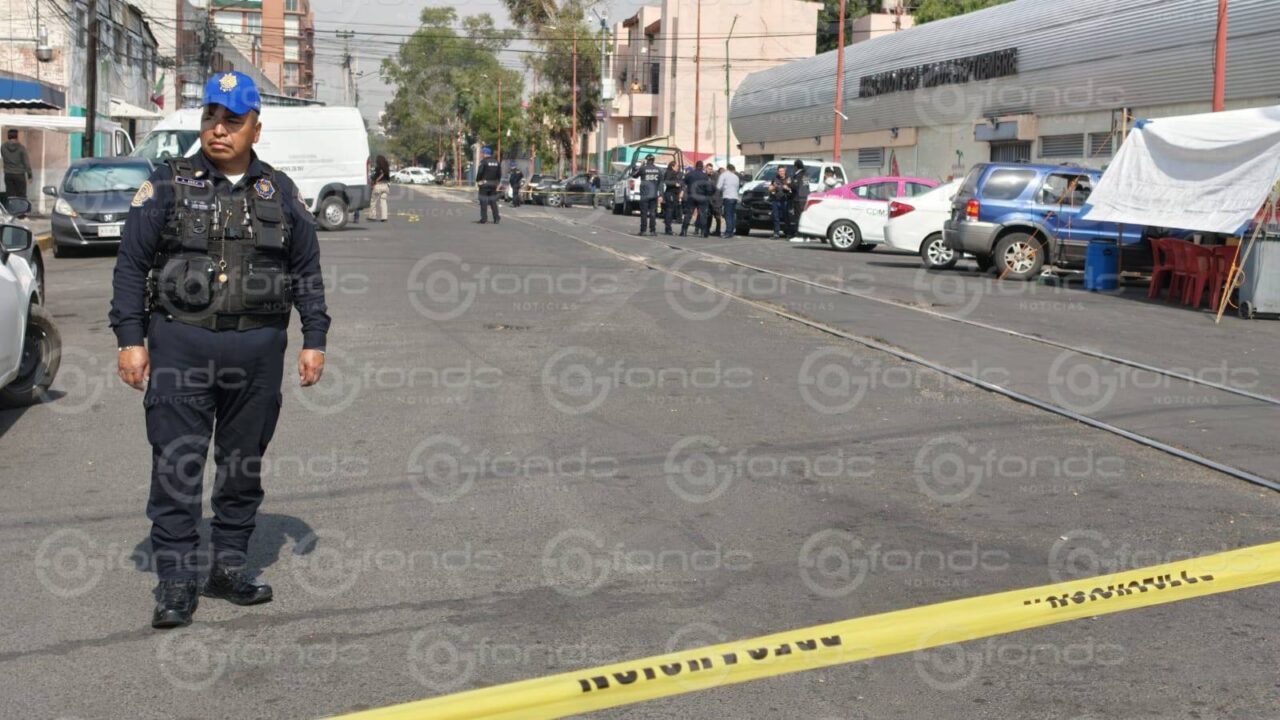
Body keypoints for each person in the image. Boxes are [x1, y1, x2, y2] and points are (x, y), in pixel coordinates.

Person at [108, 71, 329, 630]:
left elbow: (306, 270)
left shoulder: (279, 190)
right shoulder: (166, 183)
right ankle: (177, 581)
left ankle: (228, 567)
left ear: (256, 128)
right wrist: (130, 339)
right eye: (211, 117)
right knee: (177, 465)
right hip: (181, 344)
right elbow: (131, 266)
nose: (219, 129)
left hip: (257, 353)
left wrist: (315, 338)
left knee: (242, 465)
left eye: (232, 119)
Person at [631, 154, 662, 236]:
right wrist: (660, 194)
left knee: (644, 213)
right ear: (653, 160)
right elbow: (660, 183)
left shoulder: (643, 168)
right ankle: (653, 231)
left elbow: (634, 175)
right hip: (654, 194)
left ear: (647, 160)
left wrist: (639, 166)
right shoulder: (658, 170)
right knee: (653, 213)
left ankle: (643, 230)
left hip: (644, 194)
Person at [2, 129, 33, 211]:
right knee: (21, 195)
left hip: (8, 174)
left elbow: (4, 157)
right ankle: (21, 213)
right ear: (17, 136)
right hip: (19, 174)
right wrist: (29, 175)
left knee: (10, 195)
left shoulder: (3, 147)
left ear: (8, 136)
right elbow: (26, 162)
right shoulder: (21, 148)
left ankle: (11, 211)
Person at [681, 161, 710, 237]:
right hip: (702, 196)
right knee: (702, 214)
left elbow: (683, 183)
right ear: (702, 167)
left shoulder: (689, 174)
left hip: (692, 195)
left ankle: (684, 231)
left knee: (688, 213)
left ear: (695, 166)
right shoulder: (705, 176)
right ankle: (703, 232)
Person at [475, 147, 502, 224]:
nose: (481, 154)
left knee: (483, 201)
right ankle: (496, 218)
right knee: (493, 201)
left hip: (484, 183)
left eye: (481, 153)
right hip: (493, 184)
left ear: (485, 153)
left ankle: (484, 219)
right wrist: (497, 182)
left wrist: (478, 180)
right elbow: (499, 174)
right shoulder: (497, 162)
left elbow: (480, 172)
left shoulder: (483, 162)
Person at [717, 163, 740, 238]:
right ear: (733, 170)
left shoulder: (723, 175)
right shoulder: (736, 177)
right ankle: (731, 232)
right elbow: (737, 188)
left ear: (727, 168)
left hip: (727, 197)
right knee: (732, 215)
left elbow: (719, 187)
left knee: (728, 215)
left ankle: (728, 232)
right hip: (735, 197)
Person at [789, 159, 810, 239]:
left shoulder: (798, 175)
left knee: (798, 217)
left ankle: (799, 234)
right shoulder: (806, 174)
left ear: (796, 166)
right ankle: (805, 235)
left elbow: (795, 186)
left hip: (798, 198)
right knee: (803, 216)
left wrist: (789, 183)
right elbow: (806, 186)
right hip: (805, 198)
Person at [661, 160, 684, 235]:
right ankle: (668, 229)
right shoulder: (669, 172)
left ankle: (668, 228)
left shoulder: (678, 173)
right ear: (672, 166)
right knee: (669, 211)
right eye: (676, 166)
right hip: (670, 193)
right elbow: (666, 182)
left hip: (676, 194)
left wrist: (681, 189)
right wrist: (675, 184)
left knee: (672, 211)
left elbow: (682, 182)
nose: (678, 167)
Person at [769, 166, 792, 239]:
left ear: (785, 171)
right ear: (777, 172)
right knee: (776, 217)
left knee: (786, 218)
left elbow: (792, 189)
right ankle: (776, 233)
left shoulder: (788, 179)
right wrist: (772, 188)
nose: (781, 172)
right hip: (776, 200)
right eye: (780, 171)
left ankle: (788, 233)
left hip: (785, 200)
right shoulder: (774, 178)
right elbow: (770, 188)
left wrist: (787, 188)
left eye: (782, 171)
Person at [368, 155, 390, 222]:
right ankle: (384, 217)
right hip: (386, 186)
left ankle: (372, 216)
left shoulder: (377, 168)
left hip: (378, 185)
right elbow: (388, 177)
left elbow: (375, 176)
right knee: (383, 201)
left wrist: (373, 183)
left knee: (373, 201)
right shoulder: (387, 167)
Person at [707, 168, 724, 237]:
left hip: (712, 200)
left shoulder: (712, 182)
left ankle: (707, 229)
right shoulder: (721, 183)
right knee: (718, 217)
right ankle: (718, 231)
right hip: (719, 201)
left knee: (709, 216)